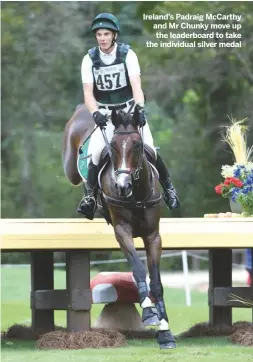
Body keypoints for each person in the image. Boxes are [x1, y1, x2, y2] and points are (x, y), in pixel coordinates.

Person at [78, 13, 180, 219]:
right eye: (99, 34)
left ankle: (169, 189)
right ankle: (90, 197)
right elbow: (88, 94)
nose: (102, 38)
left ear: (114, 35)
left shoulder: (128, 55)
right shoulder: (89, 59)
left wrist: (140, 109)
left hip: (129, 110)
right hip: (105, 113)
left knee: (150, 148)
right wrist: (95, 112)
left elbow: (137, 87)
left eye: (106, 34)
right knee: (97, 153)